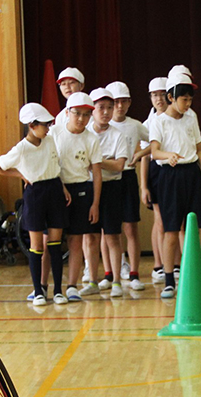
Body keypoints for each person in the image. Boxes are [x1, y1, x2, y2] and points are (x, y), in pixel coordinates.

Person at [0, 102, 69, 305]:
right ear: (32, 125)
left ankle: (59, 290)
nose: (48, 128)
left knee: (55, 243)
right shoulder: (21, 149)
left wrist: (63, 188)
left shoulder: (50, 141)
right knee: (36, 245)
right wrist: (21, 175)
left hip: (53, 190)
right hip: (35, 194)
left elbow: (55, 167)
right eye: (44, 124)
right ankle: (38, 291)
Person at [148, 71, 201, 298]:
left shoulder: (191, 117)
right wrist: (169, 155)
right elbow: (154, 152)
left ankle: (193, 275)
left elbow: (198, 149)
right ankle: (168, 279)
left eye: (190, 99)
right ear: (170, 97)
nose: (188, 103)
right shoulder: (159, 121)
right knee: (171, 229)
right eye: (184, 99)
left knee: (195, 227)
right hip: (170, 176)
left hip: (191, 174)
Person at [51, 92, 102, 302]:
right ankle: (43, 286)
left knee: (75, 240)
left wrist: (95, 203)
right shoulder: (54, 133)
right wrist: (60, 186)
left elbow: (97, 173)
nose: (81, 119)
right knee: (50, 240)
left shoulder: (91, 138)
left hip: (81, 190)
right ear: (67, 112)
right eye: (76, 114)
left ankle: (72, 285)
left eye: (85, 115)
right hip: (55, 188)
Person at [87, 87, 132, 298]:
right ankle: (93, 281)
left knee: (113, 236)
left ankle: (116, 281)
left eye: (109, 108)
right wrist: (103, 163)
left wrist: (97, 162)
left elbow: (119, 166)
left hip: (112, 188)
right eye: (101, 108)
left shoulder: (118, 135)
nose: (106, 112)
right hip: (87, 188)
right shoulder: (84, 133)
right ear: (92, 110)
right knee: (90, 238)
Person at [107, 80, 151, 291]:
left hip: (128, 178)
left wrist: (140, 154)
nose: (120, 106)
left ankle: (134, 273)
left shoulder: (134, 125)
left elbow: (155, 141)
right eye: (116, 102)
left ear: (130, 102)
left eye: (124, 102)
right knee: (108, 229)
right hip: (107, 179)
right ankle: (109, 272)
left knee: (130, 227)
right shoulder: (102, 124)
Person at [141, 76, 169, 284]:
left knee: (173, 221)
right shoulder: (147, 124)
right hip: (155, 171)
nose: (158, 99)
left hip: (173, 168)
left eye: (161, 94)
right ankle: (159, 265)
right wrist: (143, 185)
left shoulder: (178, 116)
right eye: (154, 95)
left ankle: (173, 264)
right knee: (159, 218)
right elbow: (144, 156)